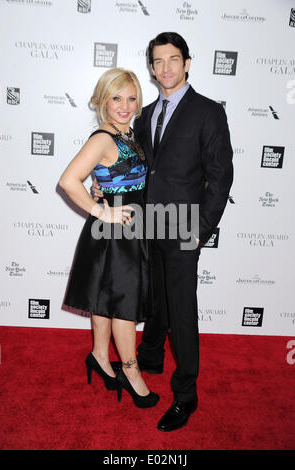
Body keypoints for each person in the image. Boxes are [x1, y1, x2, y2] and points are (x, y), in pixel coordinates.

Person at [93, 32, 233, 431]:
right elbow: (134, 170)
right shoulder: (145, 112)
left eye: (174, 59)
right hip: (144, 226)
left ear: (187, 63)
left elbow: (221, 178)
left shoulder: (208, 112)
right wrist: (100, 186)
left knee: (182, 312)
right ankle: (151, 356)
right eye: (158, 61)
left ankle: (186, 395)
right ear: (152, 68)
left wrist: (200, 230)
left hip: (184, 228)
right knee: (154, 300)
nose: (166, 68)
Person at [59, 68, 159, 409]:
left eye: (132, 98)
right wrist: (103, 211)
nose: (125, 105)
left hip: (125, 232)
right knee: (124, 308)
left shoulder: (127, 133)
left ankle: (100, 357)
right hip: (116, 233)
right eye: (117, 98)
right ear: (102, 100)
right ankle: (131, 374)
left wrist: (101, 188)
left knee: (106, 298)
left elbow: (110, 176)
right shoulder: (103, 137)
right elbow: (68, 180)